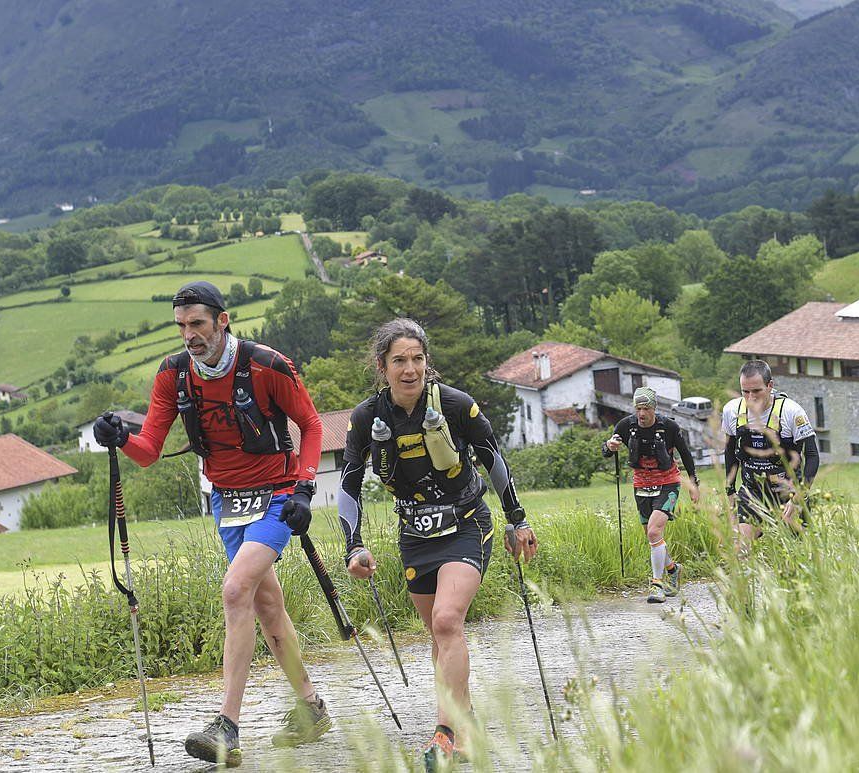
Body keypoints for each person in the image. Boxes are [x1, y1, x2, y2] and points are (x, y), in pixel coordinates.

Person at [92, 281, 327, 766]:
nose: (188, 336)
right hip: (226, 501)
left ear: (223, 321)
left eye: (197, 324)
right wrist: (119, 436)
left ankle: (227, 726)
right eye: (181, 326)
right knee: (265, 605)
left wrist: (305, 487)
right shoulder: (174, 375)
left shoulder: (267, 365)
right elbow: (149, 452)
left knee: (235, 591)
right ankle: (311, 707)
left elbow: (312, 424)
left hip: (278, 497)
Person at [337, 318, 537, 770]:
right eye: (399, 361)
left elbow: (493, 460)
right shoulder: (367, 417)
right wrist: (354, 545)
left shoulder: (455, 405)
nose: (410, 370)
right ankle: (467, 724)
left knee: (448, 621)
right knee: (440, 636)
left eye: (418, 359)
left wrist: (517, 520)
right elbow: (348, 484)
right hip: (415, 536)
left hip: (468, 525)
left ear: (428, 362)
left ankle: (444, 735)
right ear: (382, 366)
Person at [603, 386, 700, 602]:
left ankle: (657, 585)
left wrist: (694, 483)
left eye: (646, 408)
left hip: (668, 483)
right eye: (638, 408)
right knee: (652, 536)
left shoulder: (670, 427)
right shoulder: (626, 425)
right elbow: (607, 450)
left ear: (654, 408)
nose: (642, 413)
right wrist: (610, 446)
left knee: (654, 533)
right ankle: (674, 570)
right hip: (641, 484)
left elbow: (685, 454)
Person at [721, 360, 819, 545]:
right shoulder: (732, 411)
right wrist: (729, 490)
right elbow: (730, 451)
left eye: (757, 391)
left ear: (770, 386)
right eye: (745, 391)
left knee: (797, 555)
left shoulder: (791, 412)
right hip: (753, 490)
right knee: (740, 547)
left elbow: (812, 455)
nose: (751, 397)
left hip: (788, 491)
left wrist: (799, 494)